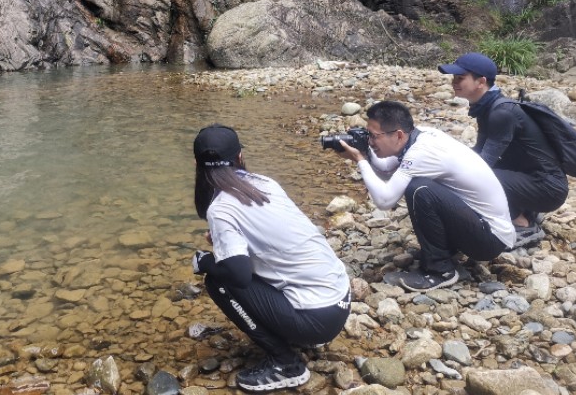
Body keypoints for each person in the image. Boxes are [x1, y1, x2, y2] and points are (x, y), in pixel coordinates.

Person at [191, 124, 351, 392]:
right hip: (339, 299)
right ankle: (296, 338)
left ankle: (285, 363)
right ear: (240, 156)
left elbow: (239, 276)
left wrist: (204, 262)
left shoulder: (220, 209)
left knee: (218, 281)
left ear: (197, 164)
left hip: (317, 319)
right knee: (231, 267)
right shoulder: (265, 183)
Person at [332, 101, 515, 292]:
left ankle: (440, 271)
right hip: (480, 225)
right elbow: (387, 169)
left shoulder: (421, 153)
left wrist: (361, 160)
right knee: (418, 186)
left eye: (373, 136)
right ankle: (444, 251)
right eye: (367, 134)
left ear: (398, 135)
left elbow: (385, 201)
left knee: (419, 189)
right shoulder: (421, 136)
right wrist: (363, 152)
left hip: (489, 239)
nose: (370, 141)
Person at [438, 52, 569, 248]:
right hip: (536, 179)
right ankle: (526, 210)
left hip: (548, 188)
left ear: (481, 82)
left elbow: (483, 167)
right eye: (454, 77)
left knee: (480, 179)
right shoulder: (489, 107)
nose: (454, 82)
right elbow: (479, 152)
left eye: (460, 78)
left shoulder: (501, 113)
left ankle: (523, 225)